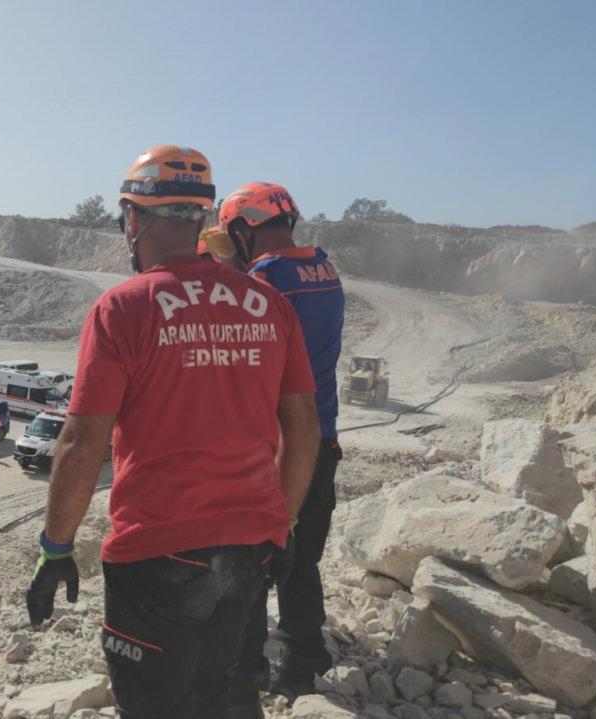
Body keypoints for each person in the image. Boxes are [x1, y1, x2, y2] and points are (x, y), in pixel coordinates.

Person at [25, 146, 321, 719]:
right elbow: (304, 429)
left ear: (132, 220)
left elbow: (83, 441)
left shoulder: (122, 308)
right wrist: (279, 525)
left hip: (158, 553)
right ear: (205, 222)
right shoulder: (269, 304)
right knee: (214, 694)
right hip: (248, 549)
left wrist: (55, 547)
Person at [220, 183, 346, 703]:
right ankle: (306, 652)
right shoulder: (325, 269)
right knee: (303, 557)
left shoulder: (264, 282)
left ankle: (250, 666)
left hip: (276, 447)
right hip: (324, 438)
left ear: (245, 229)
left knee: (258, 557)